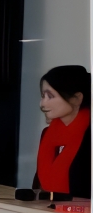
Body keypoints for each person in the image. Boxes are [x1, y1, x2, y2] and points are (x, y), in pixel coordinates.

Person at [34, 64, 90, 198]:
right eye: (42, 96)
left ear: (77, 99)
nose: (42, 104)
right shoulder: (47, 134)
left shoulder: (89, 136)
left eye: (50, 96)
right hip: (45, 208)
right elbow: (38, 185)